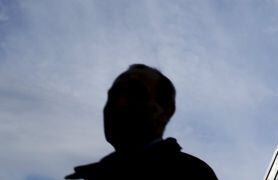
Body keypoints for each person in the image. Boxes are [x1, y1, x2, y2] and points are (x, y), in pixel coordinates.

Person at [66, 64, 217, 179]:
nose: (119, 103)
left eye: (135, 93)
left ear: (166, 111)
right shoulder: (95, 175)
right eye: (113, 96)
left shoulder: (191, 172)